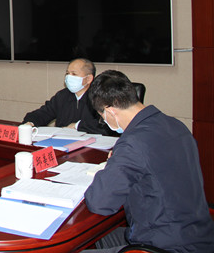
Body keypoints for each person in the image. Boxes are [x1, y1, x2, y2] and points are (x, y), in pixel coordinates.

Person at [82, 70, 214, 253]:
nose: (104, 122)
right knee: (96, 237)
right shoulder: (176, 125)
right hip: (198, 234)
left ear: (110, 111)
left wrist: (110, 166)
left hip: (162, 245)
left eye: (102, 118)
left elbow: (99, 203)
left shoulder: (132, 143)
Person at [22, 58, 113, 135]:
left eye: (74, 74)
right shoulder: (62, 96)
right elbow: (43, 113)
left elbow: (107, 126)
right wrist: (31, 122)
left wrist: (77, 126)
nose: (69, 77)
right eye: (67, 73)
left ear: (89, 79)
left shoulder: (100, 97)